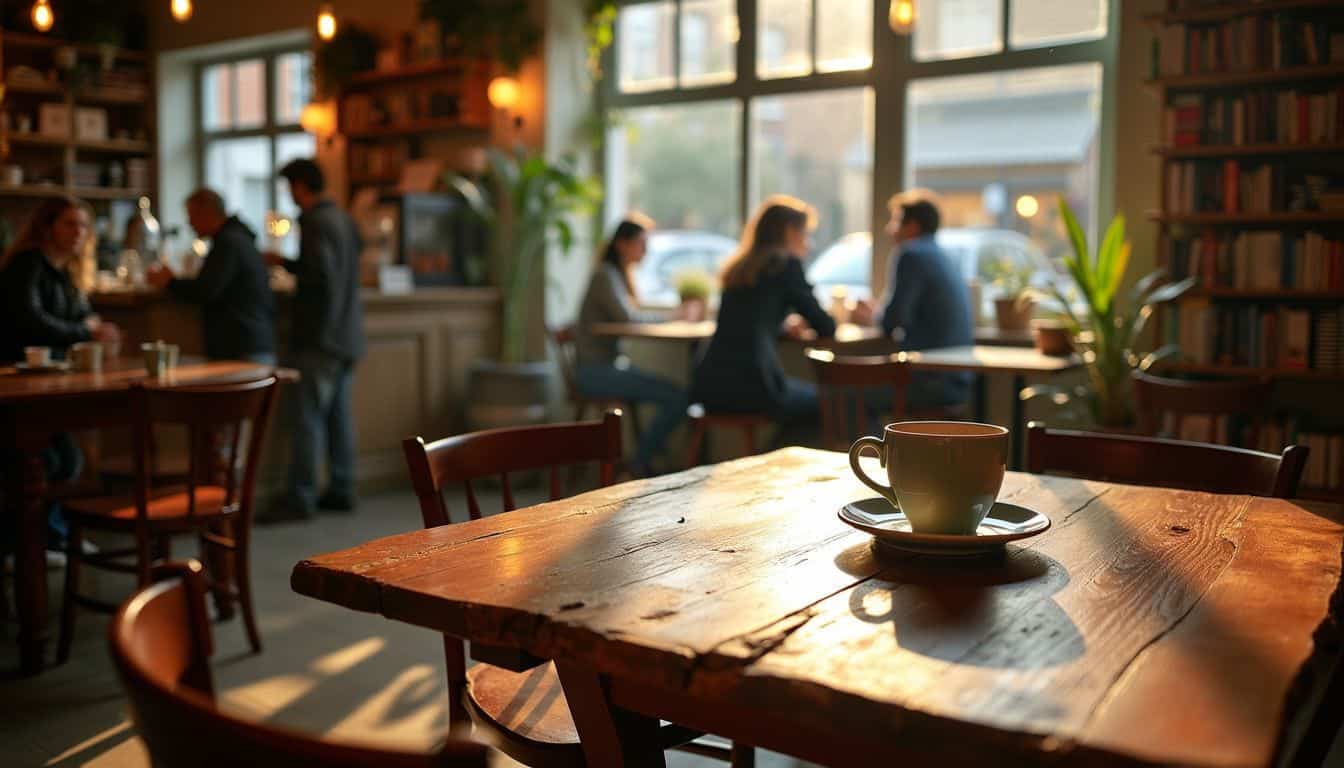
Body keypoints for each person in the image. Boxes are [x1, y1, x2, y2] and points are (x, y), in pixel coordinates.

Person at [0, 196, 120, 563]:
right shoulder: (28, 264)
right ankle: (26, 543)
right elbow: (29, 320)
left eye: (83, 226)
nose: (78, 233)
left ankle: (51, 537)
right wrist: (82, 329)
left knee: (66, 459)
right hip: (16, 382)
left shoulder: (65, 272)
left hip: (49, 382)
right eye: (70, 224)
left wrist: (98, 329)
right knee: (46, 460)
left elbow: (81, 316)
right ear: (46, 226)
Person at [690, 195, 836, 447]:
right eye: (805, 234)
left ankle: (770, 457)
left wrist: (780, 326)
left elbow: (748, 318)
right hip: (754, 387)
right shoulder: (786, 265)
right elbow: (826, 326)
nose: (808, 244)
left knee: (813, 403)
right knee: (833, 402)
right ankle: (773, 459)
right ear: (790, 232)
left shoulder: (739, 268)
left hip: (711, 385)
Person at [265, 159, 365, 521]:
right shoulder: (343, 218)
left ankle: (300, 496)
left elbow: (318, 277)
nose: (291, 196)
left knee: (307, 417)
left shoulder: (313, 221)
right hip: (348, 333)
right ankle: (342, 487)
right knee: (338, 416)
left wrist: (289, 268)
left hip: (319, 337)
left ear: (301, 186)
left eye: (291, 187)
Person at [573, 215, 689, 476]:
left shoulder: (616, 275)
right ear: (622, 244)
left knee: (676, 394)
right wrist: (674, 316)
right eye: (641, 244)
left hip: (606, 367)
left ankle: (646, 459)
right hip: (595, 373)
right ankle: (641, 461)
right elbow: (629, 318)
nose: (645, 251)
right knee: (677, 396)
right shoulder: (606, 276)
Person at [852, 190, 973, 411]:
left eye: (896, 221)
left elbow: (893, 321)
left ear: (913, 226)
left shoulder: (911, 254)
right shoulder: (945, 257)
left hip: (929, 382)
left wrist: (873, 316)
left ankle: (876, 447)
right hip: (958, 380)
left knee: (848, 397)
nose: (890, 230)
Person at [147, 188, 275, 363]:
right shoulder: (239, 238)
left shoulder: (228, 242)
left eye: (192, 215)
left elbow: (206, 290)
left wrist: (170, 282)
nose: (189, 222)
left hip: (240, 346)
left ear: (207, 212)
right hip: (252, 341)